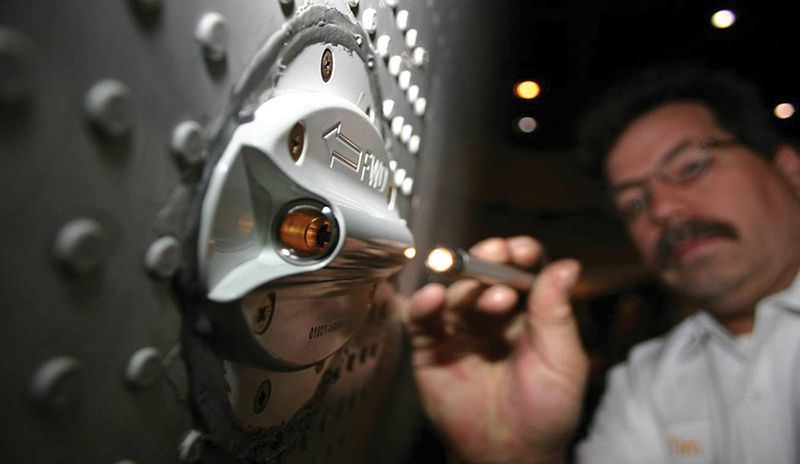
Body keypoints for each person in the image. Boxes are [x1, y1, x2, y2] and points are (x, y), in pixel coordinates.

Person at [406, 66, 800, 464]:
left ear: (789, 169)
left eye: (690, 167)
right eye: (635, 203)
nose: (661, 210)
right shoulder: (644, 381)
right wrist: (517, 454)